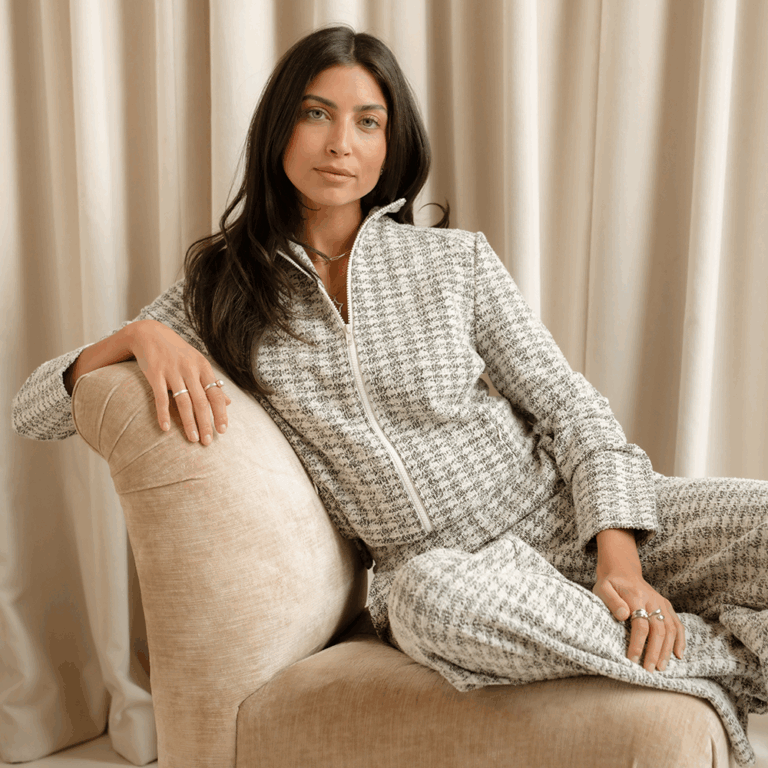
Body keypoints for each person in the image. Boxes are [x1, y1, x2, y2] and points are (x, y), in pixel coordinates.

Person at [11, 25, 768, 766]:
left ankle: (655, 632)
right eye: (316, 113)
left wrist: (620, 561)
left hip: (571, 516)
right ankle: (729, 663)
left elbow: (573, 407)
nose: (341, 142)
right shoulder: (225, 288)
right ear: (279, 128)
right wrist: (138, 338)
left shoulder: (453, 261)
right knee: (434, 600)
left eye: (367, 121)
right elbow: (32, 409)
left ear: (389, 144)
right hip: (448, 576)